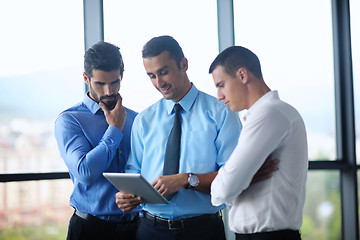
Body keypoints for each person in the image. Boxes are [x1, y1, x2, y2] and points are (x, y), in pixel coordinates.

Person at [115, 36, 277, 240]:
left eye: (164, 72)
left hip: (203, 231)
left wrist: (185, 179)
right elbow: (134, 172)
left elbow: (233, 175)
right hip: (150, 229)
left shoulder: (221, 113)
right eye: (152, 76)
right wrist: (127, 196)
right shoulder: (143, 120)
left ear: (184, 64)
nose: (159, 83)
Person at [210, 46, 308, 240]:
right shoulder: (271, 113)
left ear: (242, 75)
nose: (219, 96)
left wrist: (233, 182)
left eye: (221, 85)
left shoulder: (269, 113)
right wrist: (239, 179)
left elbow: (224, 188)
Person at [54, 41, 140, 240]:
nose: (109, 91)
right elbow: (85, 172)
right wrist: (115, 129)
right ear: (86, 78)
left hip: (136, 229)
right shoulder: (70, 120)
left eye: (115, 82)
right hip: (90, 230)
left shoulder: (136, 119)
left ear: (122, 76)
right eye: (100, 84)